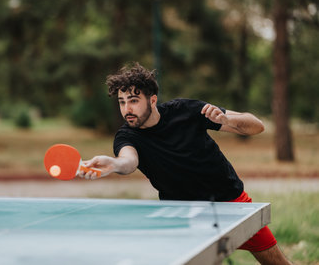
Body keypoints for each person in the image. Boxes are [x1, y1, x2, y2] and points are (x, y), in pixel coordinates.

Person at [78, 62, 291, 265]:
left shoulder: (186, 110)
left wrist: (228, 121)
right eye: (122, 102)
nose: (127, 109)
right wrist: (114, 164)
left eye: (133, 100)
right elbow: (128, 161)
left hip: (230, 202)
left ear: (152, 100)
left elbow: (257, 127)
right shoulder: (127, 136)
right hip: (182, 214)